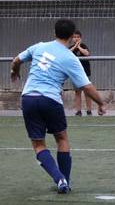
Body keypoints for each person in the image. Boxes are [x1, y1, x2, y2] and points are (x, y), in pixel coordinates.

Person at [10, 19, 106, 194]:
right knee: (61, 139)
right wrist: (101, 103)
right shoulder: (70, 57)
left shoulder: (39, 47)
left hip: (29, 98)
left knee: (39, 145)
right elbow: (87, 86)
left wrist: (14, 72)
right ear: (71, 36)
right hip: (50, 100)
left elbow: (16, 60)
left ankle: (58, 178)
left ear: (54, 32)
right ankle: (65, 181)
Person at [69, 30, 92, 116]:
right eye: (74, 37)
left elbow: (87, 54)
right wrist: (74, 46)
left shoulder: (84, 46)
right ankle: (78, 111)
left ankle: (89, 111)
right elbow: (67, 53)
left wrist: (79, 47)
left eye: (78, 37)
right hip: (75, 73)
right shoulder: (70, 48)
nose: (76, 39)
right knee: (77, 92)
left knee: (88, 92)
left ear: (80, 38)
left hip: (86, 73)